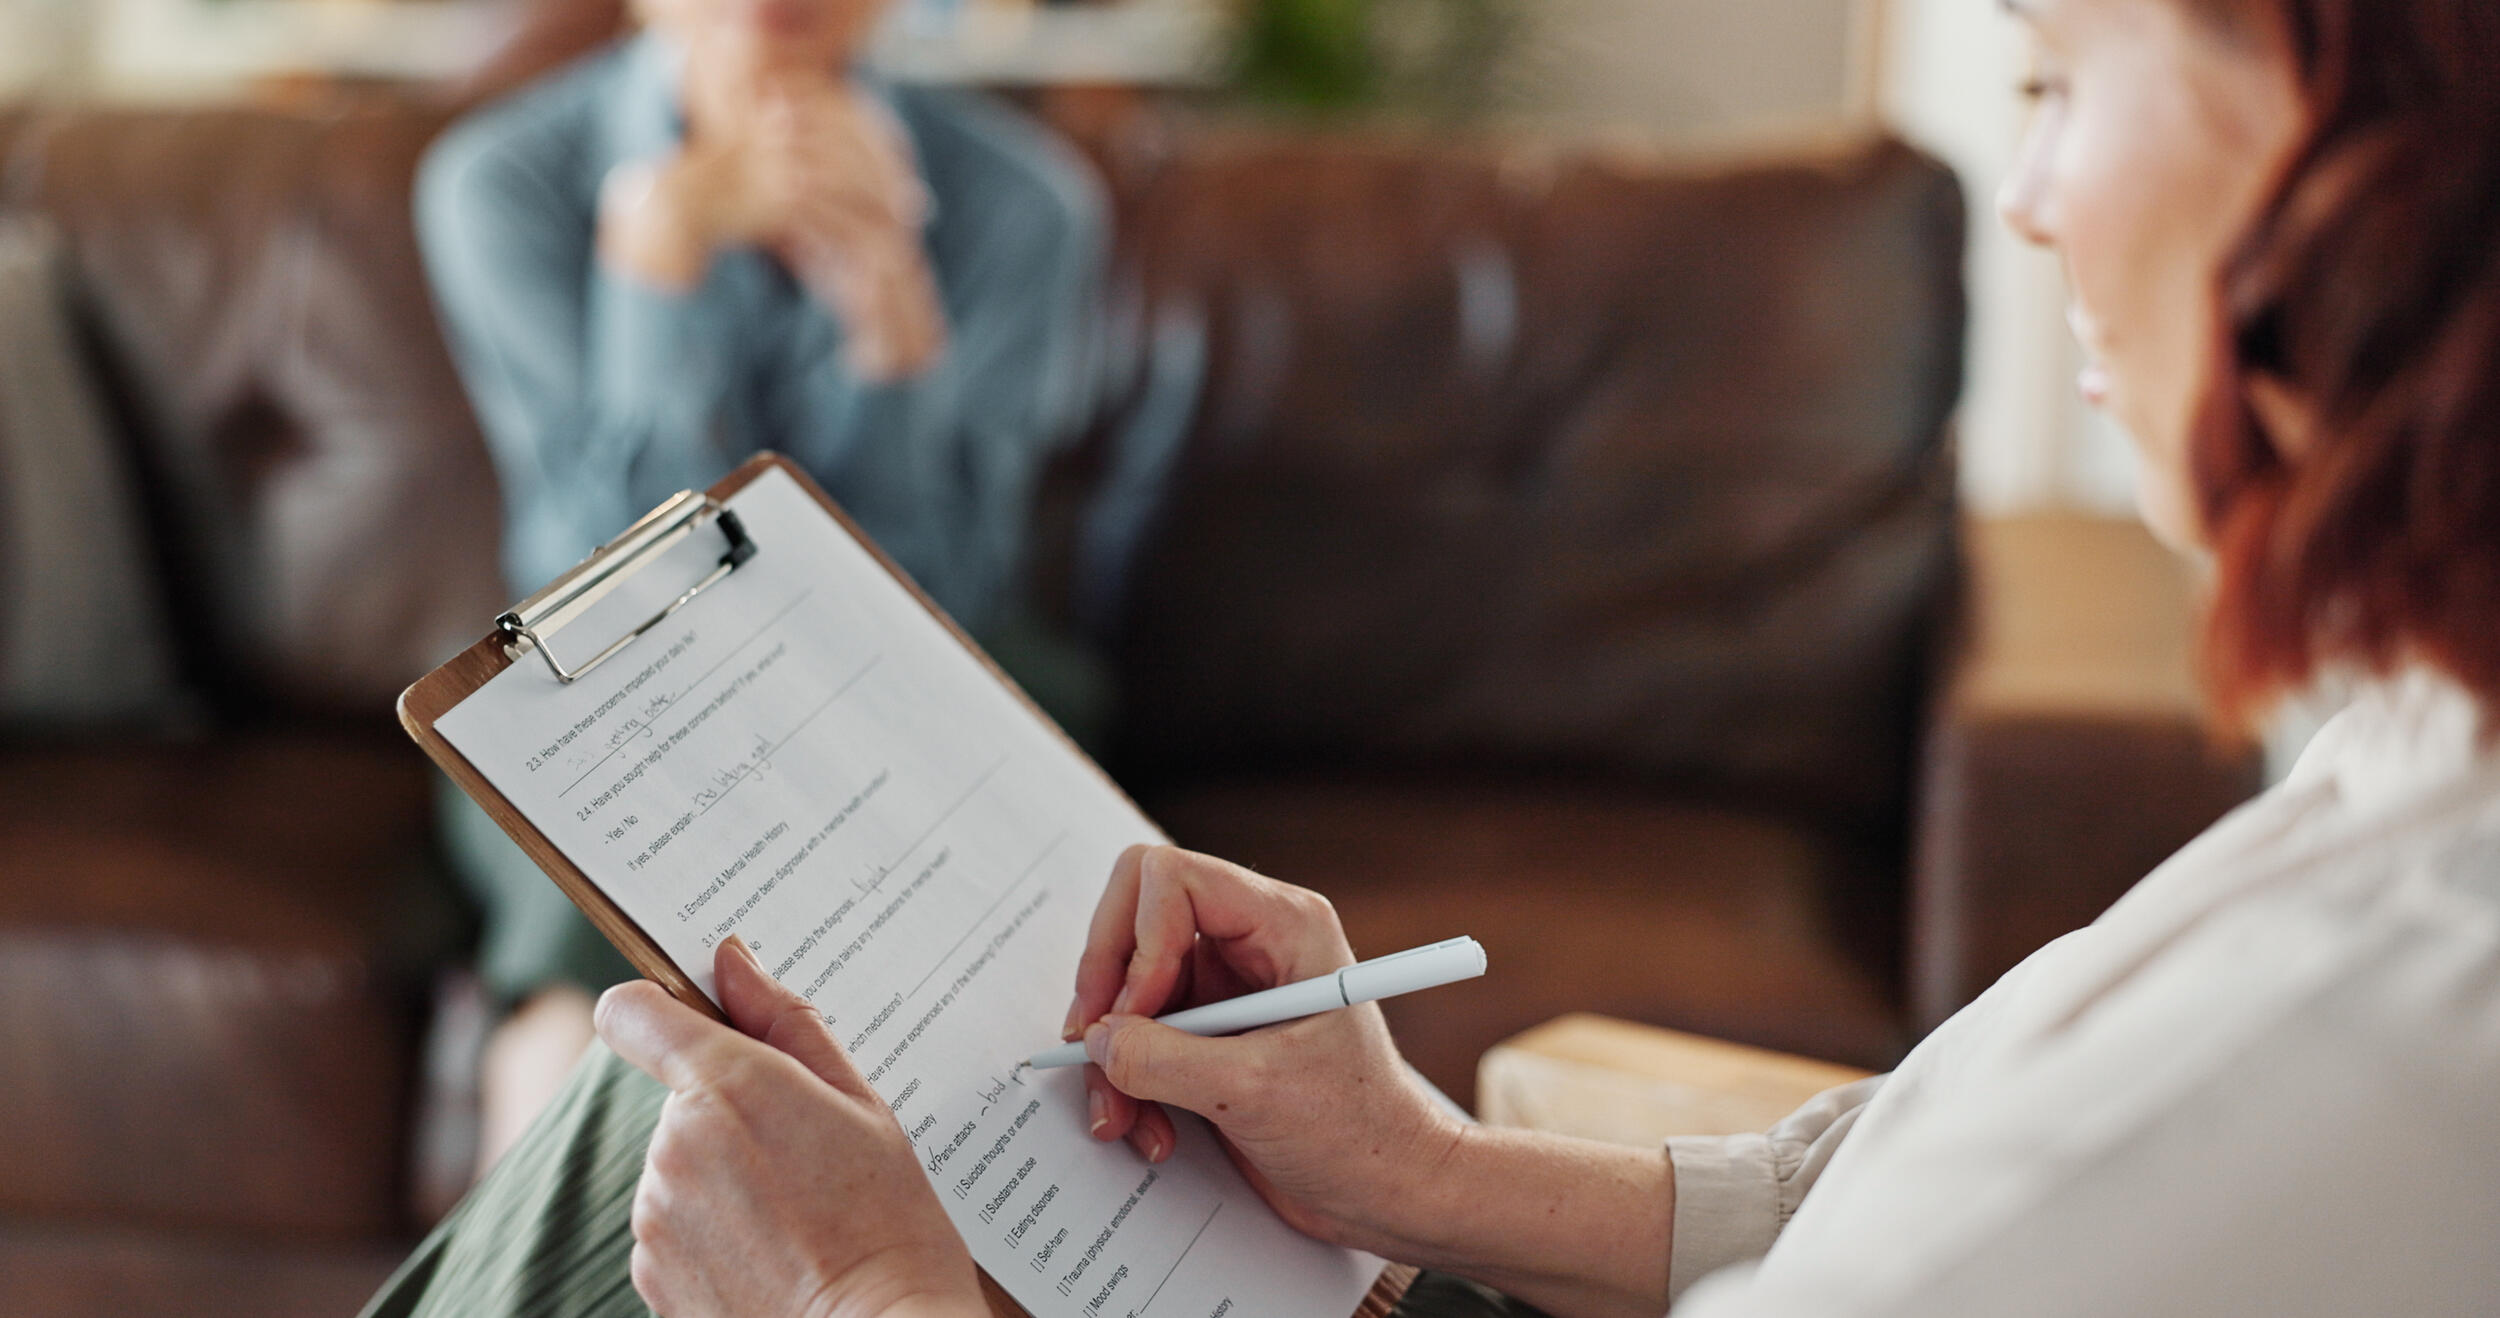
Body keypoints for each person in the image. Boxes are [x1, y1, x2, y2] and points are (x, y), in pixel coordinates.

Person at [363, 0, 2500, 1314]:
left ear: (2371, 141)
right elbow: (1913, 1168)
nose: (2023, 191)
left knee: (665, 1143)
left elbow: (945, 564)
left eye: (2055, 65)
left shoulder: (2408, 991)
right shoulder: (2397, 760)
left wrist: (859, 1295)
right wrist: (1424, 1174)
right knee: (687, 1111)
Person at [413, 0, 1106, 1168]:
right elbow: (594, 590)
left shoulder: (1025, 205)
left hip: (925, 683)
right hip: (615, 691)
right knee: (588, 838)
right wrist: (652, 263)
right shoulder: (501, 181)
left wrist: (893, 327)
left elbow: (953, 597)